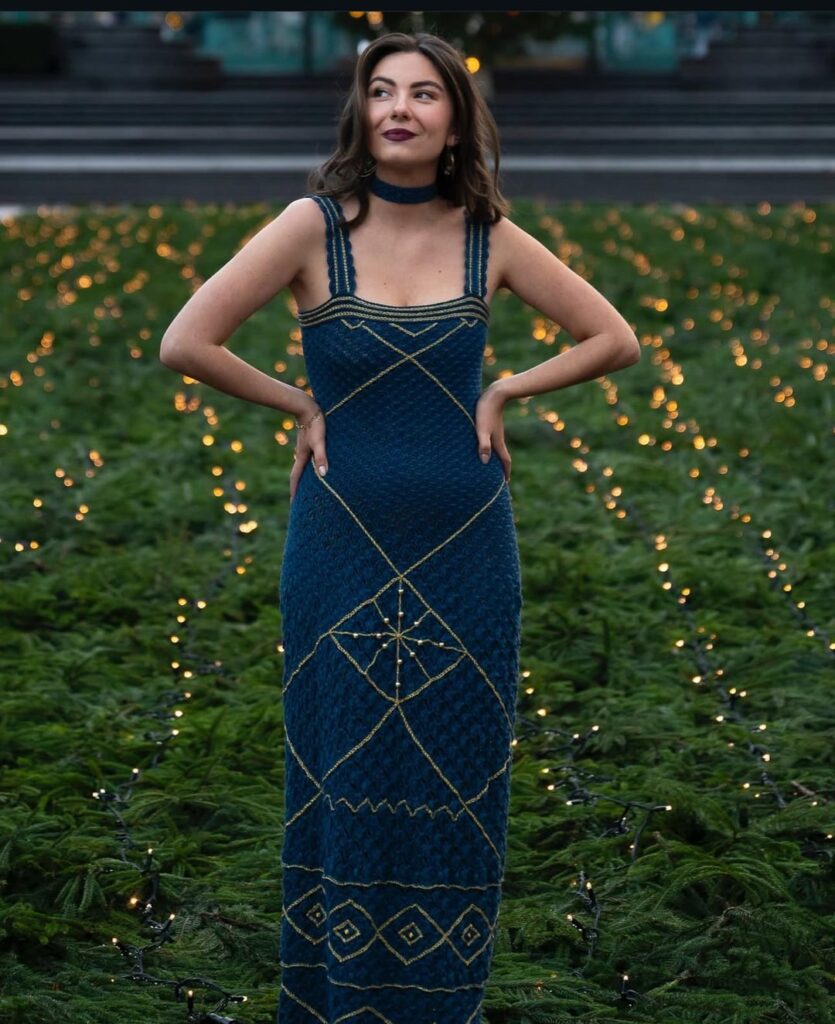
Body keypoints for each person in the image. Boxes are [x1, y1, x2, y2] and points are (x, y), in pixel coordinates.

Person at [160, 30, 640, 1024]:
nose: (399, 108)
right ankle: (331, 1001)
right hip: (340, 541)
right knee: (340, 774)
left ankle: (438, 1004)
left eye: (424, 94)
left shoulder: (490, 235)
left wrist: (506, 387)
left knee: (454, 780)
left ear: (456, 121)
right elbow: (186, 341)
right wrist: (298, 402)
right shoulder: (310, 226)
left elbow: (614, 337)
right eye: (381, 91)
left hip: (467, 547)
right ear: (361, 110)